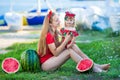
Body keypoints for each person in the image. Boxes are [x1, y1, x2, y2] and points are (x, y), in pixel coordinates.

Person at [37, 10, 110, 72]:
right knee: (69, 51)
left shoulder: (55, 32)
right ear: (50, 24)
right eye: (56, 20)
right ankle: (93, 68)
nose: (59, 21)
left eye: (58, 19)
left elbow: (58, 46)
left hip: (52, 60)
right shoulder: (48, 35)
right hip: (46, 64)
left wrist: (67, 40)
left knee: (73, 46)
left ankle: (95, 65)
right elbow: (56, 53)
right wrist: (66, 41)